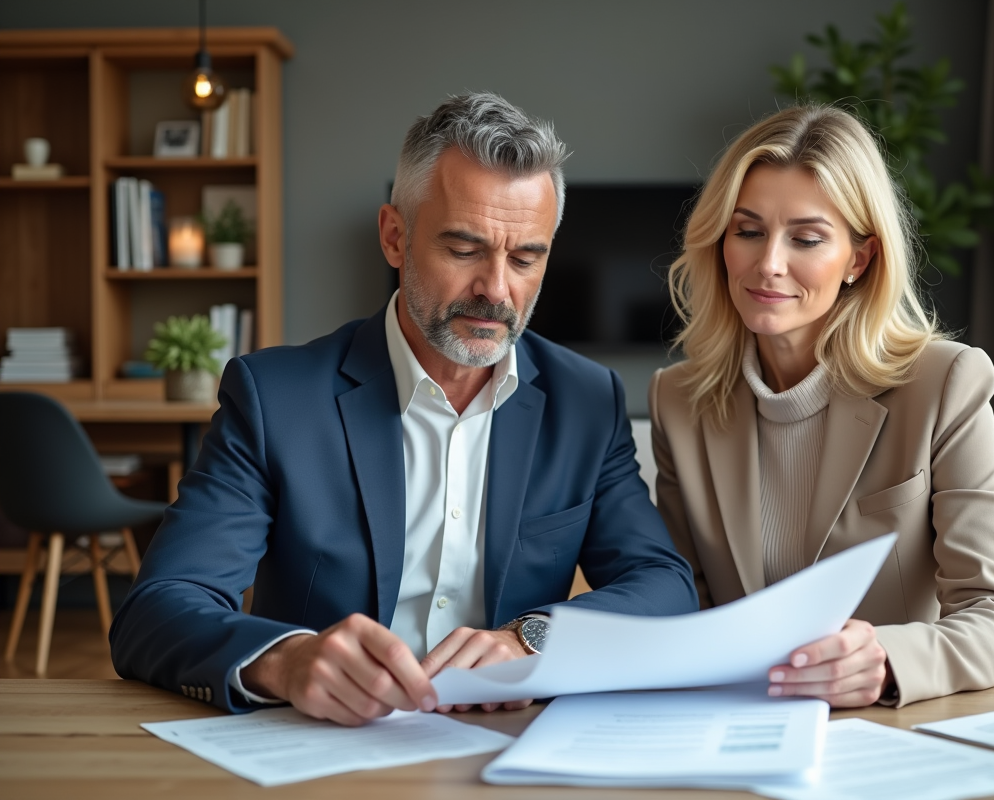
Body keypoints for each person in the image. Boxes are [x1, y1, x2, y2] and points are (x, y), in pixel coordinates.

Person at [110, 92, 698, 725]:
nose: (496, 290)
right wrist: (285, 660)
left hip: (504, 739)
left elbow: (664, 586)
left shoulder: (587, 400)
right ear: (395, 236)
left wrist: (530, 638)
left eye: (525, 258)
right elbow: (159, 608)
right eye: (464, 250)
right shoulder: (274, 397)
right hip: (320, 744)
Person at [650, 105, 994, 709]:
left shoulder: (944, 384)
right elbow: (682, 599)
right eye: (748, 231)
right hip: (736, 724)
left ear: (859, 259)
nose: (769, 263)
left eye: (806, 239)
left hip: (889, 729)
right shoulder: (678, 400)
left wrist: (888, 663)